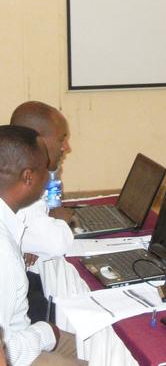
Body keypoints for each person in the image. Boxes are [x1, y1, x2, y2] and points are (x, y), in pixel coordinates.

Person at [0, 125, 85, 365]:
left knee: (93, 343)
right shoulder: (2, 252)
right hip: (15, 353)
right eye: (44, 171)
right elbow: (7, 351)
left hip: (19, 337)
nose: (49, 177)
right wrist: (47, 332)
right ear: (28, 177)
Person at [10, 102, 75, 324]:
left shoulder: (13, 172)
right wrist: (60, 218)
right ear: (38, 140)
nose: (66, 147)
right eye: (61, 139)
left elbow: (37, 237)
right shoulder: (18, 187)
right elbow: (56, 243)